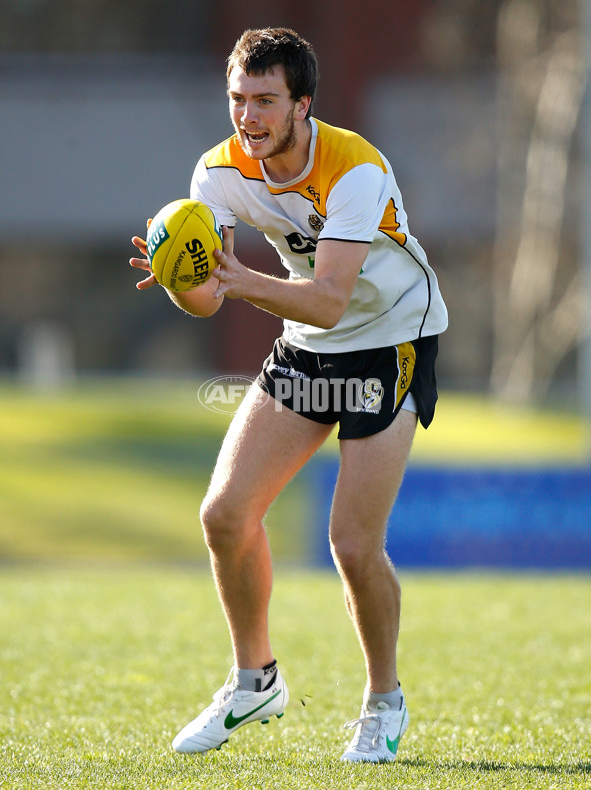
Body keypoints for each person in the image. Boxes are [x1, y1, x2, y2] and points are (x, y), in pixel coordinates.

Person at [130, 27, 448, 763]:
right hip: (309, 347)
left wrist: (236, 278)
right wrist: (188, 281)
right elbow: (212, 300)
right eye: (239, 99)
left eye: (266, 100)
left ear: (302, 104)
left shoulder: (355, 169)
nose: (249, 116)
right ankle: (254, 681)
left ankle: (383, 702)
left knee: (352, 545)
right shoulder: (216, 174)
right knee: (225, 515)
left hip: (391, 340)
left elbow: (333, 299)